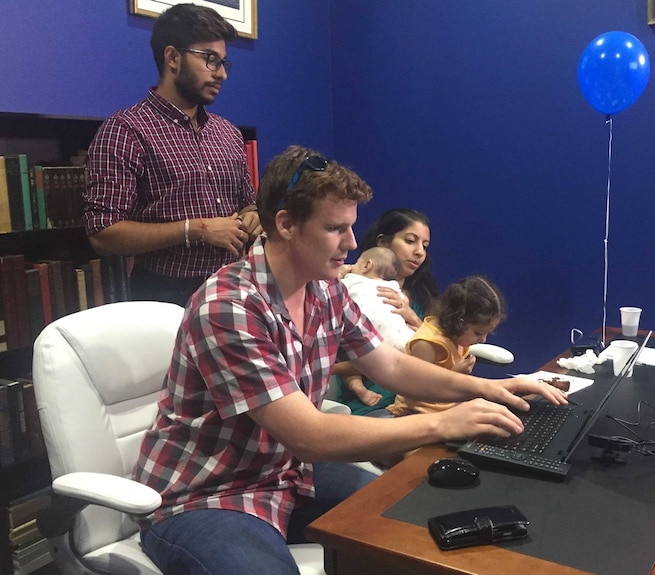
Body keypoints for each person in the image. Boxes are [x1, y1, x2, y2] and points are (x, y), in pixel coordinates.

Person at [132, 144, 566, 575]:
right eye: (336, 228)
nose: (353, 243)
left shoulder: (326, 290)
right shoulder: (228, 307)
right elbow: (308, 436)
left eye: (352, 227)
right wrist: (440, 424)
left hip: (284, 474)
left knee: (408, 517)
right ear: (285, 225)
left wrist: (490, 387)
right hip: (205, 495)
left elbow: (390, 366)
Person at [83, 3, 261, 307]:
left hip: (234, 283)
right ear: (173, 58)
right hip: (165, 294)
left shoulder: (228, 132)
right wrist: (197, 229)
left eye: (223, 63)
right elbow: (103, 233)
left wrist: (253, 216)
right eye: (210, 60)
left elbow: (246, 202)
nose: (221, 74)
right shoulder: (125, 130)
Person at [335, 208, 439, 415]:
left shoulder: (421, 297)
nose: (419, 252)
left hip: (423, 396)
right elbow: (331, 362)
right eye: (410, 241)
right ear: (382, 242)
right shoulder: (350, 287)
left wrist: (414, 319)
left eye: (424, 246)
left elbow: (438, 350)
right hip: (375, 403)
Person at [388, 274, 506, 416]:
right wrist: (454, 374)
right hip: (417, 412)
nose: (483, 340)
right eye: (478, 333)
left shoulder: (458, 337)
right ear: (459, 321)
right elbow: (416, 388)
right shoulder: (427, 344)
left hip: (445, 405)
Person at [341, 246, 417, 407]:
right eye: (410, 241)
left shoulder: (351, 281)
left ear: (367, 266)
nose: (419, 252)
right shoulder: (394, 288)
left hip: (366, 343)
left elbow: (333, 286)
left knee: (351, 355)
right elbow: (405, 301)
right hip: (403, 343)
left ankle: (358, 387)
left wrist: (343, 271)